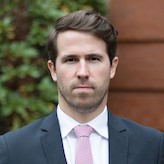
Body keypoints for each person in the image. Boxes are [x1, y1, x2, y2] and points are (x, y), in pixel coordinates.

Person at [0, 9, 163, 164]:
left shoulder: (153, 147)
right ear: (53, 70)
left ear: (112, 67)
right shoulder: (13, 150)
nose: (83, 72)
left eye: (93, 59)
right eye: (71, 60)